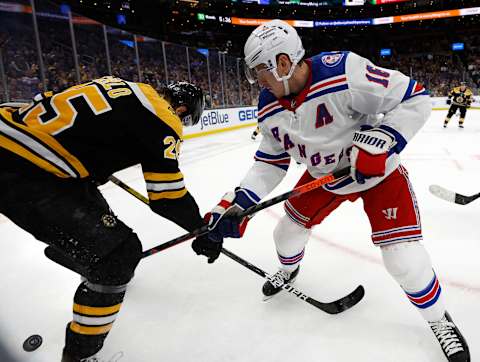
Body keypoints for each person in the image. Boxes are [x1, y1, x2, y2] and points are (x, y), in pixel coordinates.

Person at [193, 20, 470, 362]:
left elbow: (415, 98)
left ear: (282, 63)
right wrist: (233, 206)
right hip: (322, 176)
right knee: (286, 233)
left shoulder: (344, 71)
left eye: (259, 71)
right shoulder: (268, 106)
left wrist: (383, 141)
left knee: (403, 259)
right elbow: (269, 163)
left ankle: (438, 319)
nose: (257, 80)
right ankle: (291, 269)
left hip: (378, 175)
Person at [0, 77, 220, 362]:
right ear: (180, 109)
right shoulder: (165, 117)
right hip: (22, 169)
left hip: (12, 133)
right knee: (118, 256)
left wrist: (93, 157)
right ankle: (79, 354)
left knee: (96, 211)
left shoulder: (123, 85)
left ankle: (76, 250)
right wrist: (201, 230)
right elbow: (168, 198)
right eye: (187, 119)